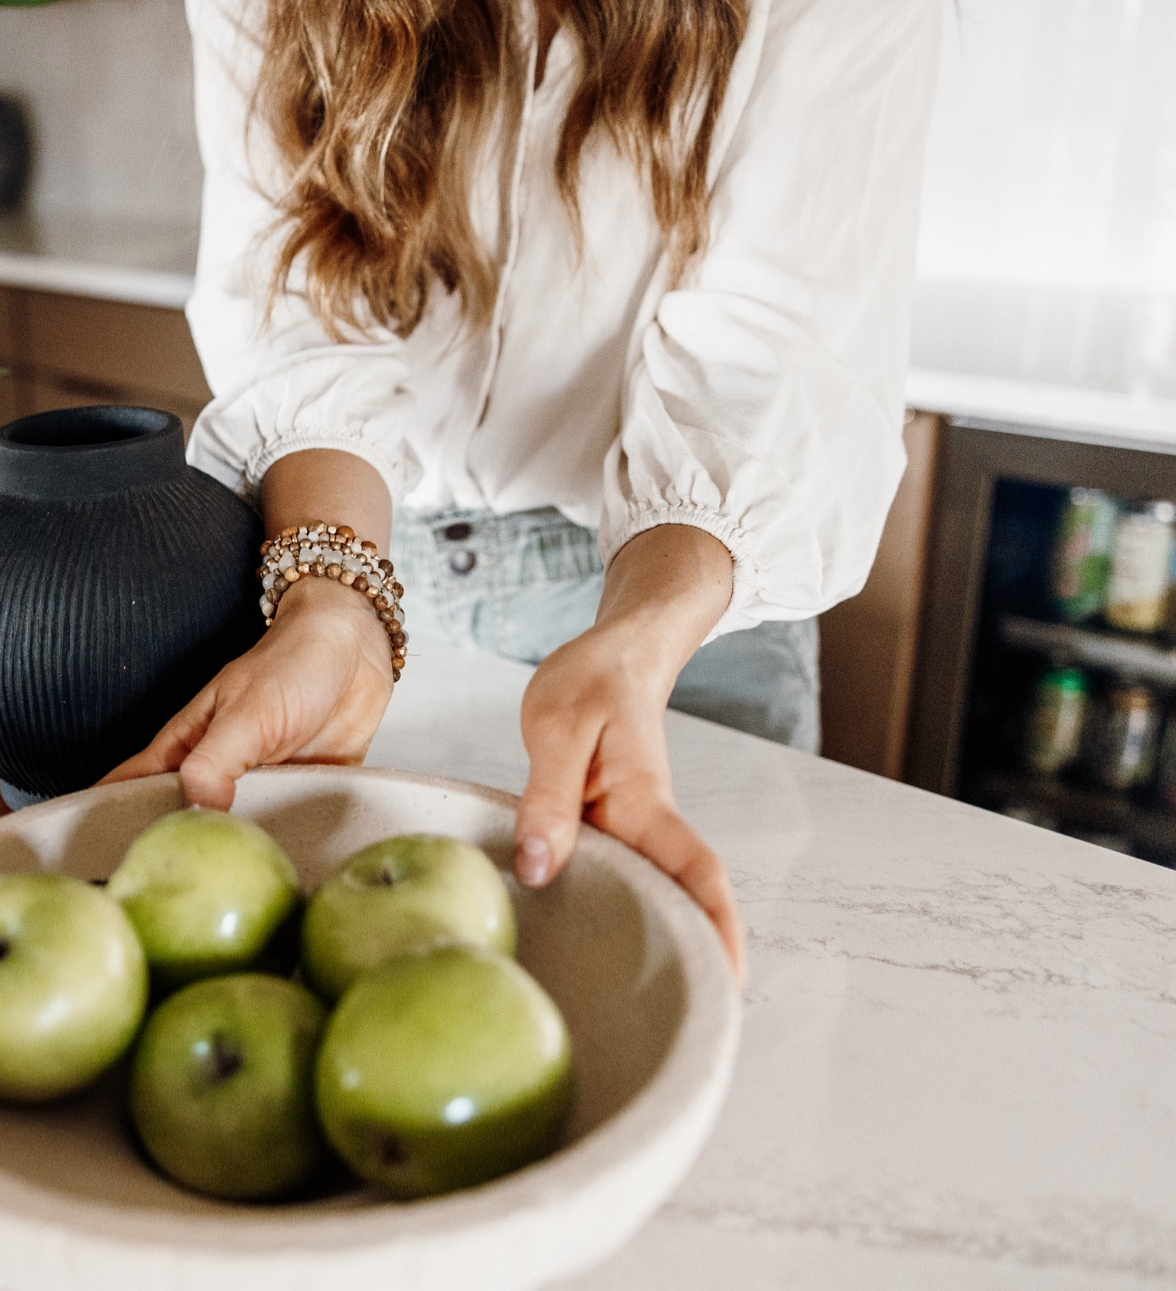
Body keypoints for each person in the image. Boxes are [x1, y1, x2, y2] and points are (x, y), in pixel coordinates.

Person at [106, 0, 944, 979]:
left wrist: (630, 647)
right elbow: (299, 315)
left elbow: (768, 363)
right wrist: (333, 602)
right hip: (366, 567)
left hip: (673, 636)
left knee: (679, 1025)